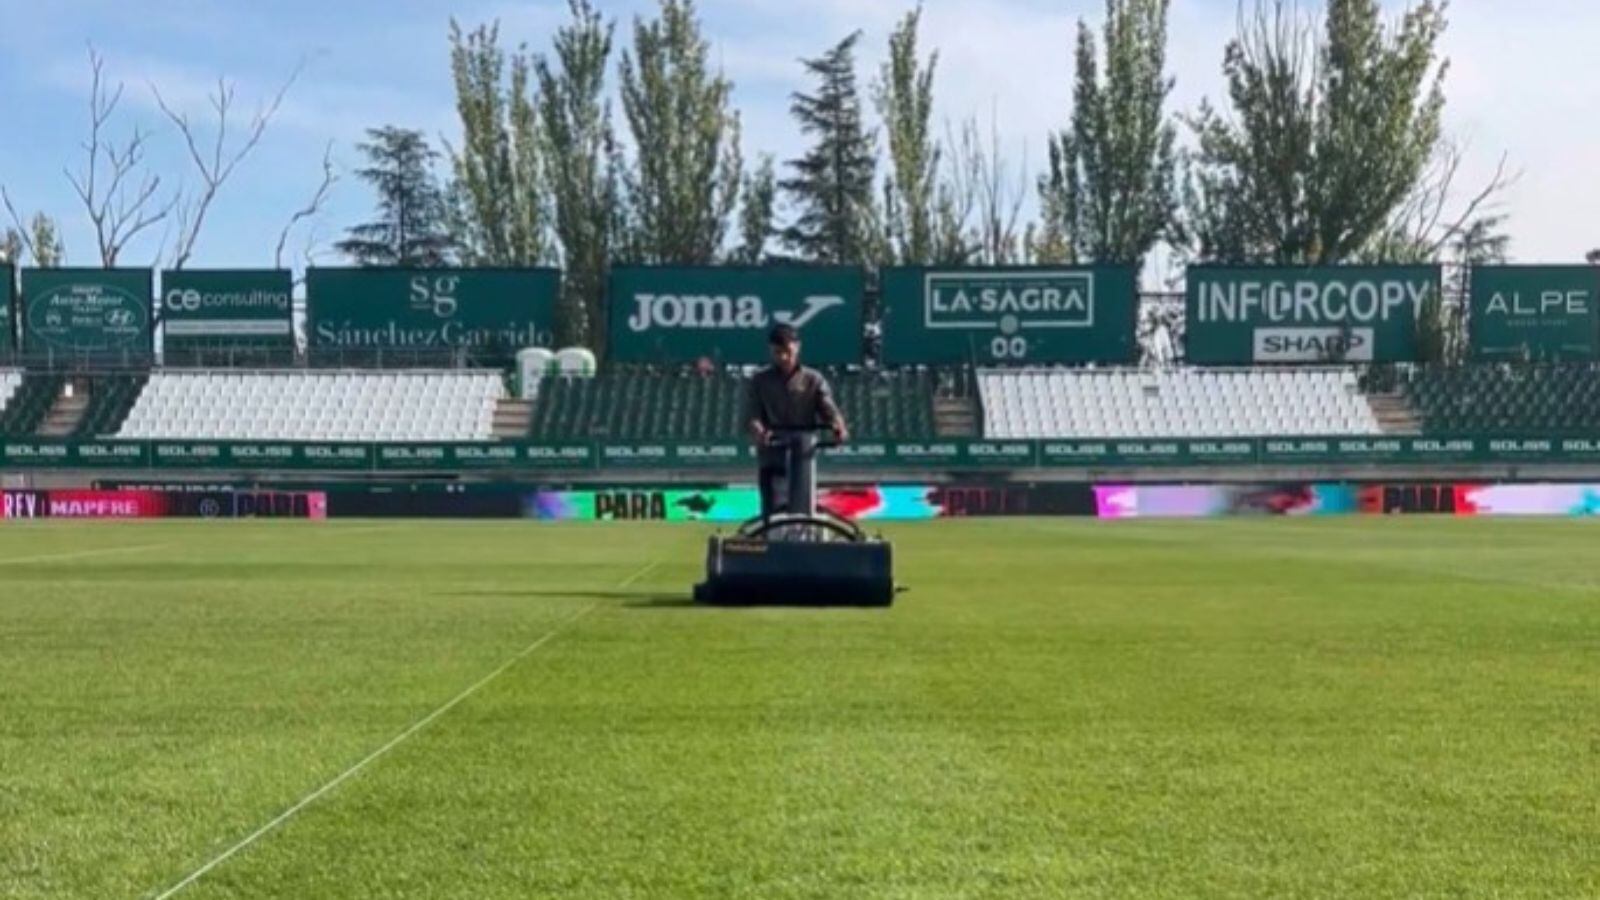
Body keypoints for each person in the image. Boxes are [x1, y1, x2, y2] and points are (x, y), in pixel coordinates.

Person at [743, 324, 849, 518]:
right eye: (777, 352)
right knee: (772, 512)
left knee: (803, 507)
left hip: (803, 452)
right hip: (772, 452)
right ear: (771, 351)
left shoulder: (813, 379)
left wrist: (837, 426)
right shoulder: (760, 381)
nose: (783, 358)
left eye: (787, 352)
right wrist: (759, 430)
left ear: (797, 347)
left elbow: (829, 408)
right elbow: (753, 415)